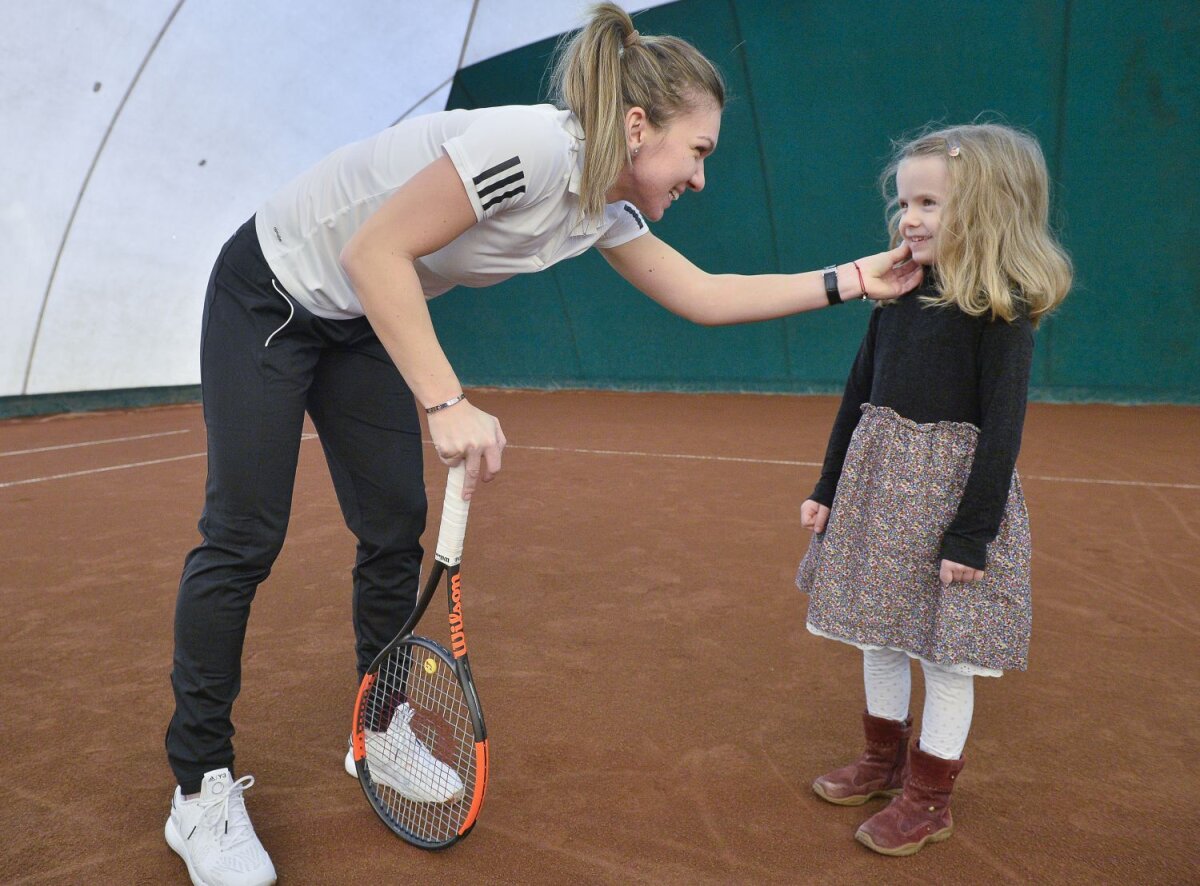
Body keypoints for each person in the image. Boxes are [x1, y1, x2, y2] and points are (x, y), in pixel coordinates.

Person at [163, 4, 924, 883]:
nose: (702, 178)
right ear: (638, 127)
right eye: (699, 151)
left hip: (361, 322)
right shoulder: (534, 147)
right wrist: (445, 400)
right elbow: (375, 253)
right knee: (244, 535)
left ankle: (382, 729)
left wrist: (856, 279)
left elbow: (705, 295)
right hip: (274, 292)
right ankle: (199, 791)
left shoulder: (600, 209)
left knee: (391, 526)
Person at [794, 121, 1072, 857]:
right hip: (878, 491)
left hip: (951, 506)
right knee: (876, 633)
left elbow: (1002, 433)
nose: (909, 219)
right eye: (905, 203)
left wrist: (971, 535)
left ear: (986, 211)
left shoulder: (1002, 311)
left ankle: (928, 798)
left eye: (928, 203)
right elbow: (858, 397)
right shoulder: (897, 292)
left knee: (946, 656)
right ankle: (882, 763)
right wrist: (828, 486)